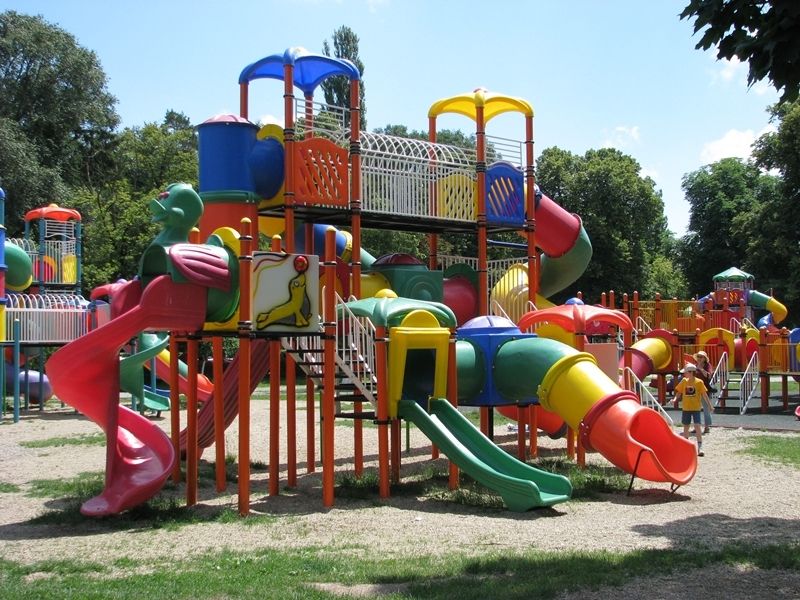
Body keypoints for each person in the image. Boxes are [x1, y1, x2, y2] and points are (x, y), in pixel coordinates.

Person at [674, 363, 714, 456]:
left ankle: (700, 448)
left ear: (691, 372)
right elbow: (679, 392)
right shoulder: (684, 381)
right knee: (686, 427)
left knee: (697, 426)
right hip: (686, 408)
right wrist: (675, 399)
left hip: (696, 408)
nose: (684, 374)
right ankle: (686, 447)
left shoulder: (699, 382)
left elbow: (704, 395)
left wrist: (710, 405)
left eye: (686, 372)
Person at [694, 350, 714, 434]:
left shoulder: (707, 366)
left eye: (701, 357)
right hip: (695, 389)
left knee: (706, 408)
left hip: (704, 389)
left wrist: (701, 369)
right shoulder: (694, 366)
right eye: (698, 356)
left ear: (705, 358)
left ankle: (707, 427)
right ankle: (697, 426)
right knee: (695, 409)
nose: (699, 358)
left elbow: (708, 376)